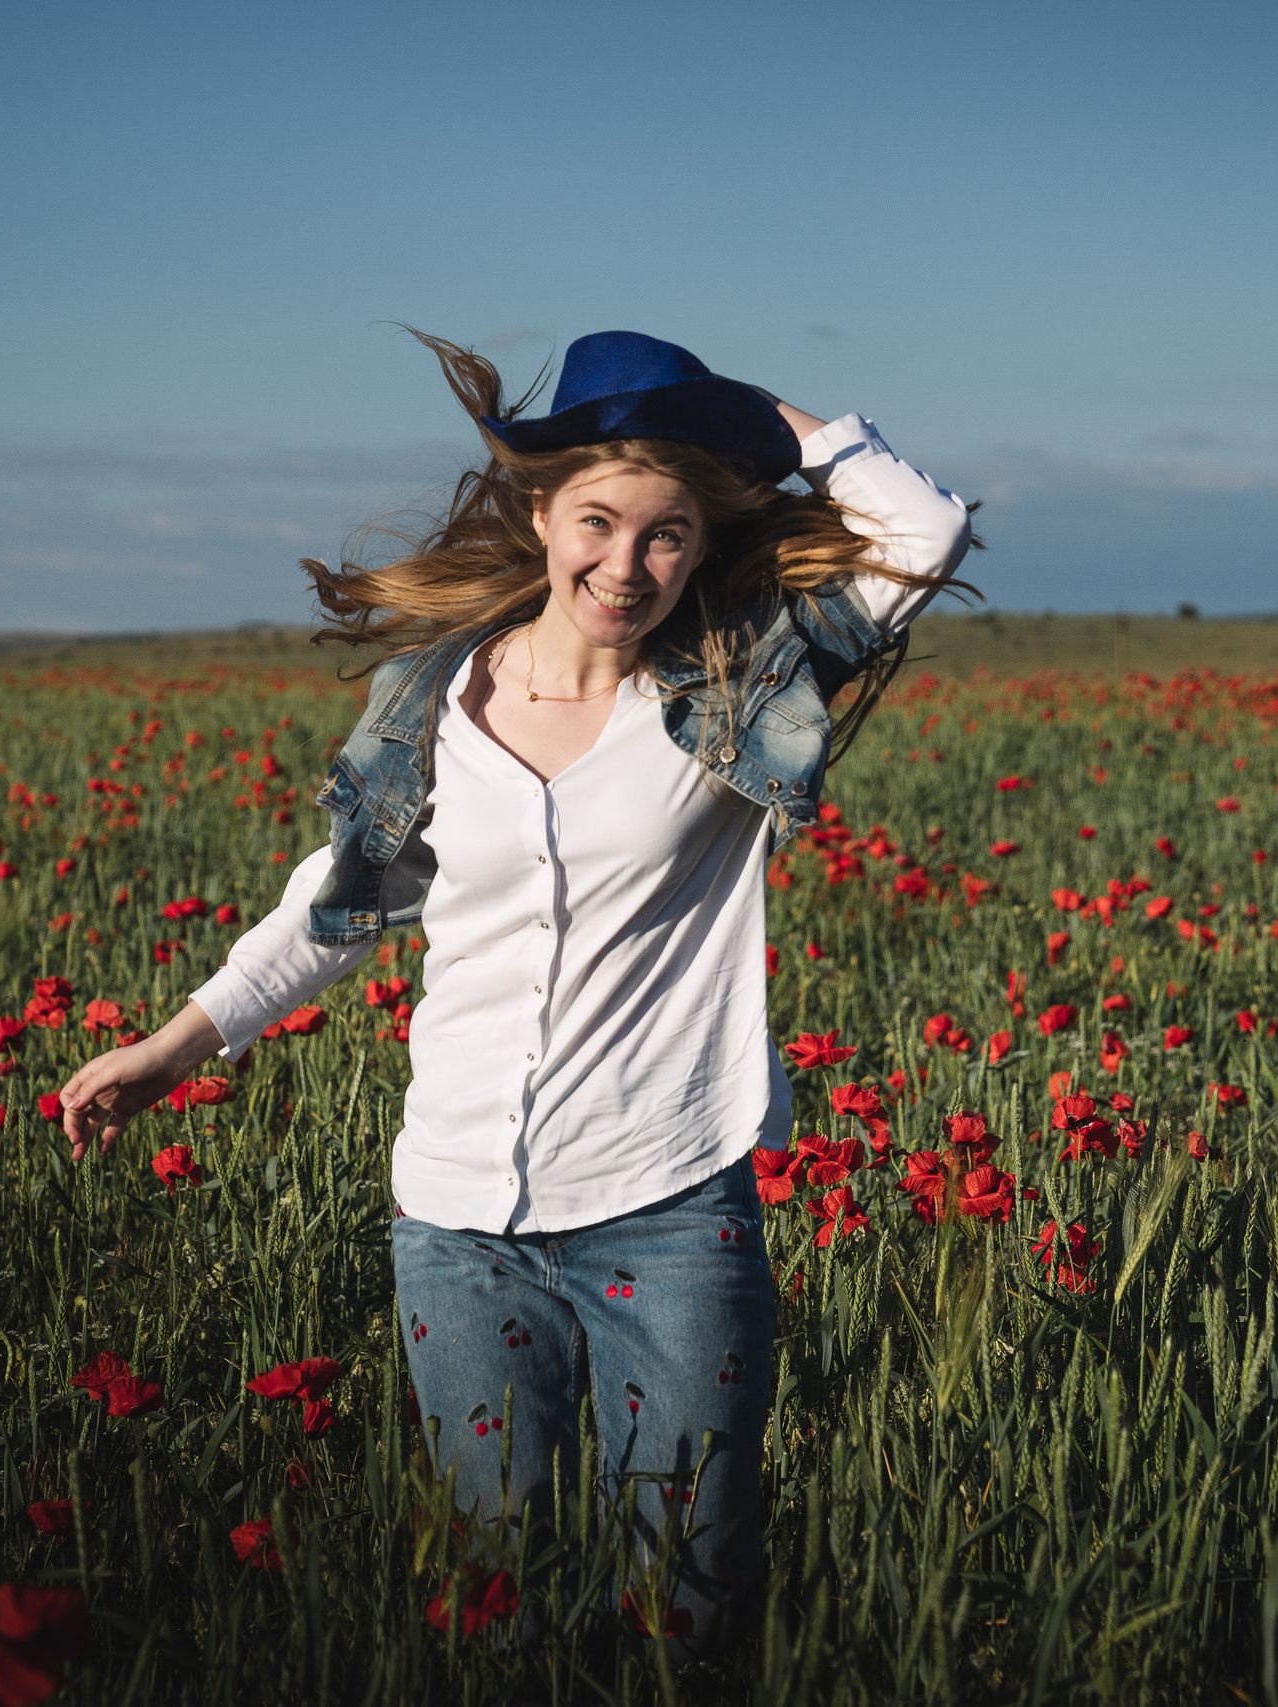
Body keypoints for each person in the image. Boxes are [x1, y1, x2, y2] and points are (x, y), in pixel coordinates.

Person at [55, 329, 974, 1649]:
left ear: (700, 547)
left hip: (669, 1208)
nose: (626, 564)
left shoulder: (743, 681)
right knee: (493, 1610)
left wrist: (735, 414)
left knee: (685, 1608)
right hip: (456, 1225)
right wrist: (172, 1045)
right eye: (597, 520)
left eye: (667, 535)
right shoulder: (434, 697)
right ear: (541, 512)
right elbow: (334, 904)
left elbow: (922, 531)